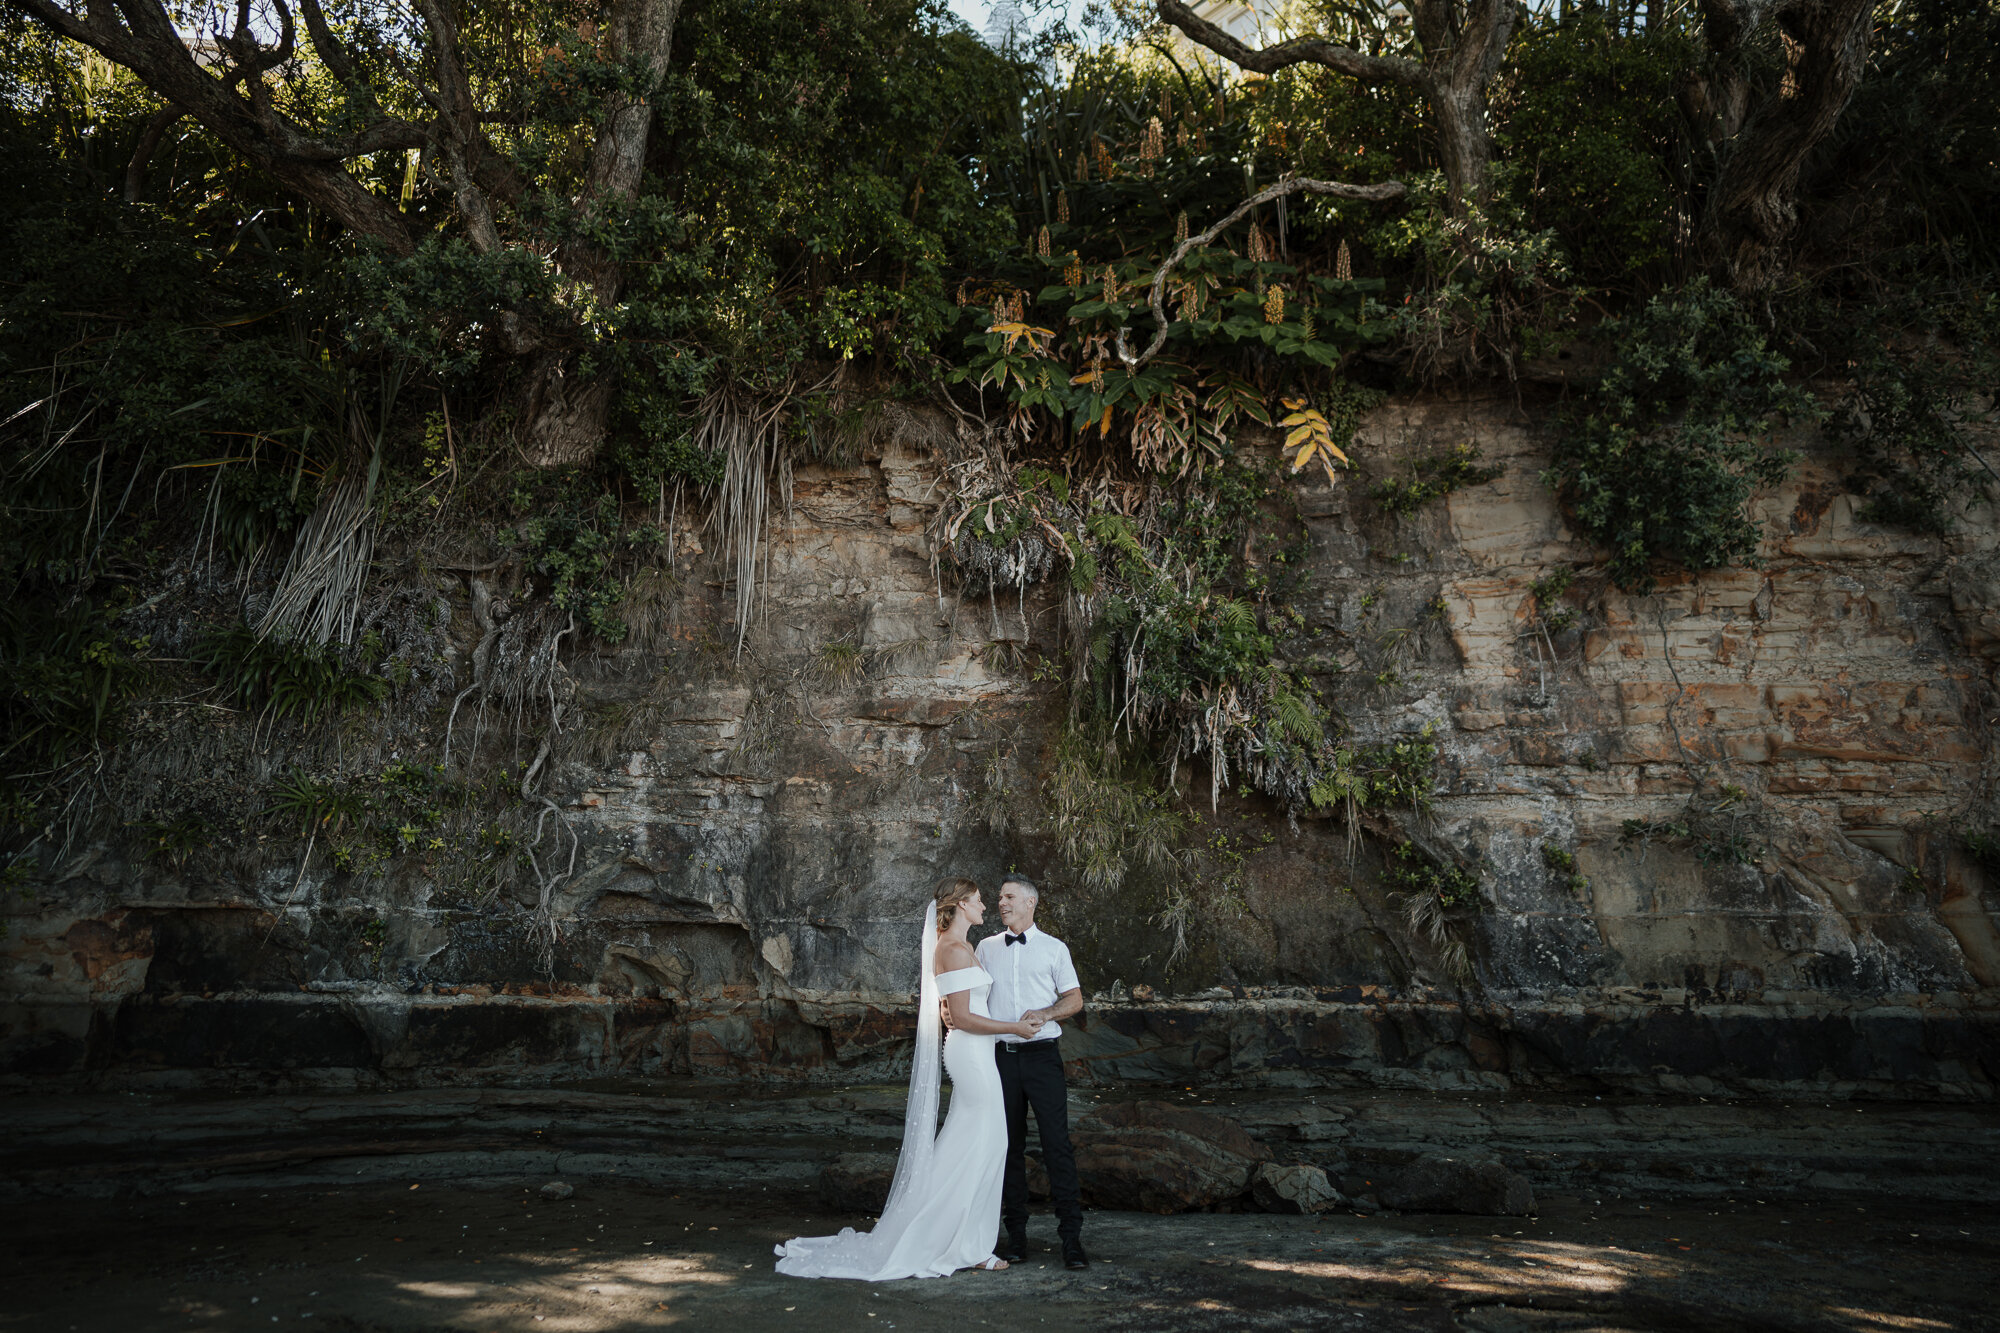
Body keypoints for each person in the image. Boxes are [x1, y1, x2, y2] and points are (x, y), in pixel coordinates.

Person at [774, 878, 1042, 1281]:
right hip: (970, 1055)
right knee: (988, 1143)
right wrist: (1013, 1029)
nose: (986, 906)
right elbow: (963, 1018)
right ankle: (968, 1247)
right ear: (960, 906)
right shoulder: (951, 950)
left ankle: (957, 1237)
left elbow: (959, 1009)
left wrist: (1002, 1023)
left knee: (971, 1144)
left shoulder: (965, 947)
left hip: (978, 1053)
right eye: (979, 901)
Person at [975, 875, 1088, 1270]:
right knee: (1008, 1149)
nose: (1001, 902)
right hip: (1001, 1059)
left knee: (1057, 1145)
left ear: (1031, 902)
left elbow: (1074, 999)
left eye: (1008, 897)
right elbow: (972, 997)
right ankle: (1016, 1237)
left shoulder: (1055, 949)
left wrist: (1045, 1012)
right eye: (999, 897)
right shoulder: (986, 948)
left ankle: (1071, 1240)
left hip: (1043, 1059)